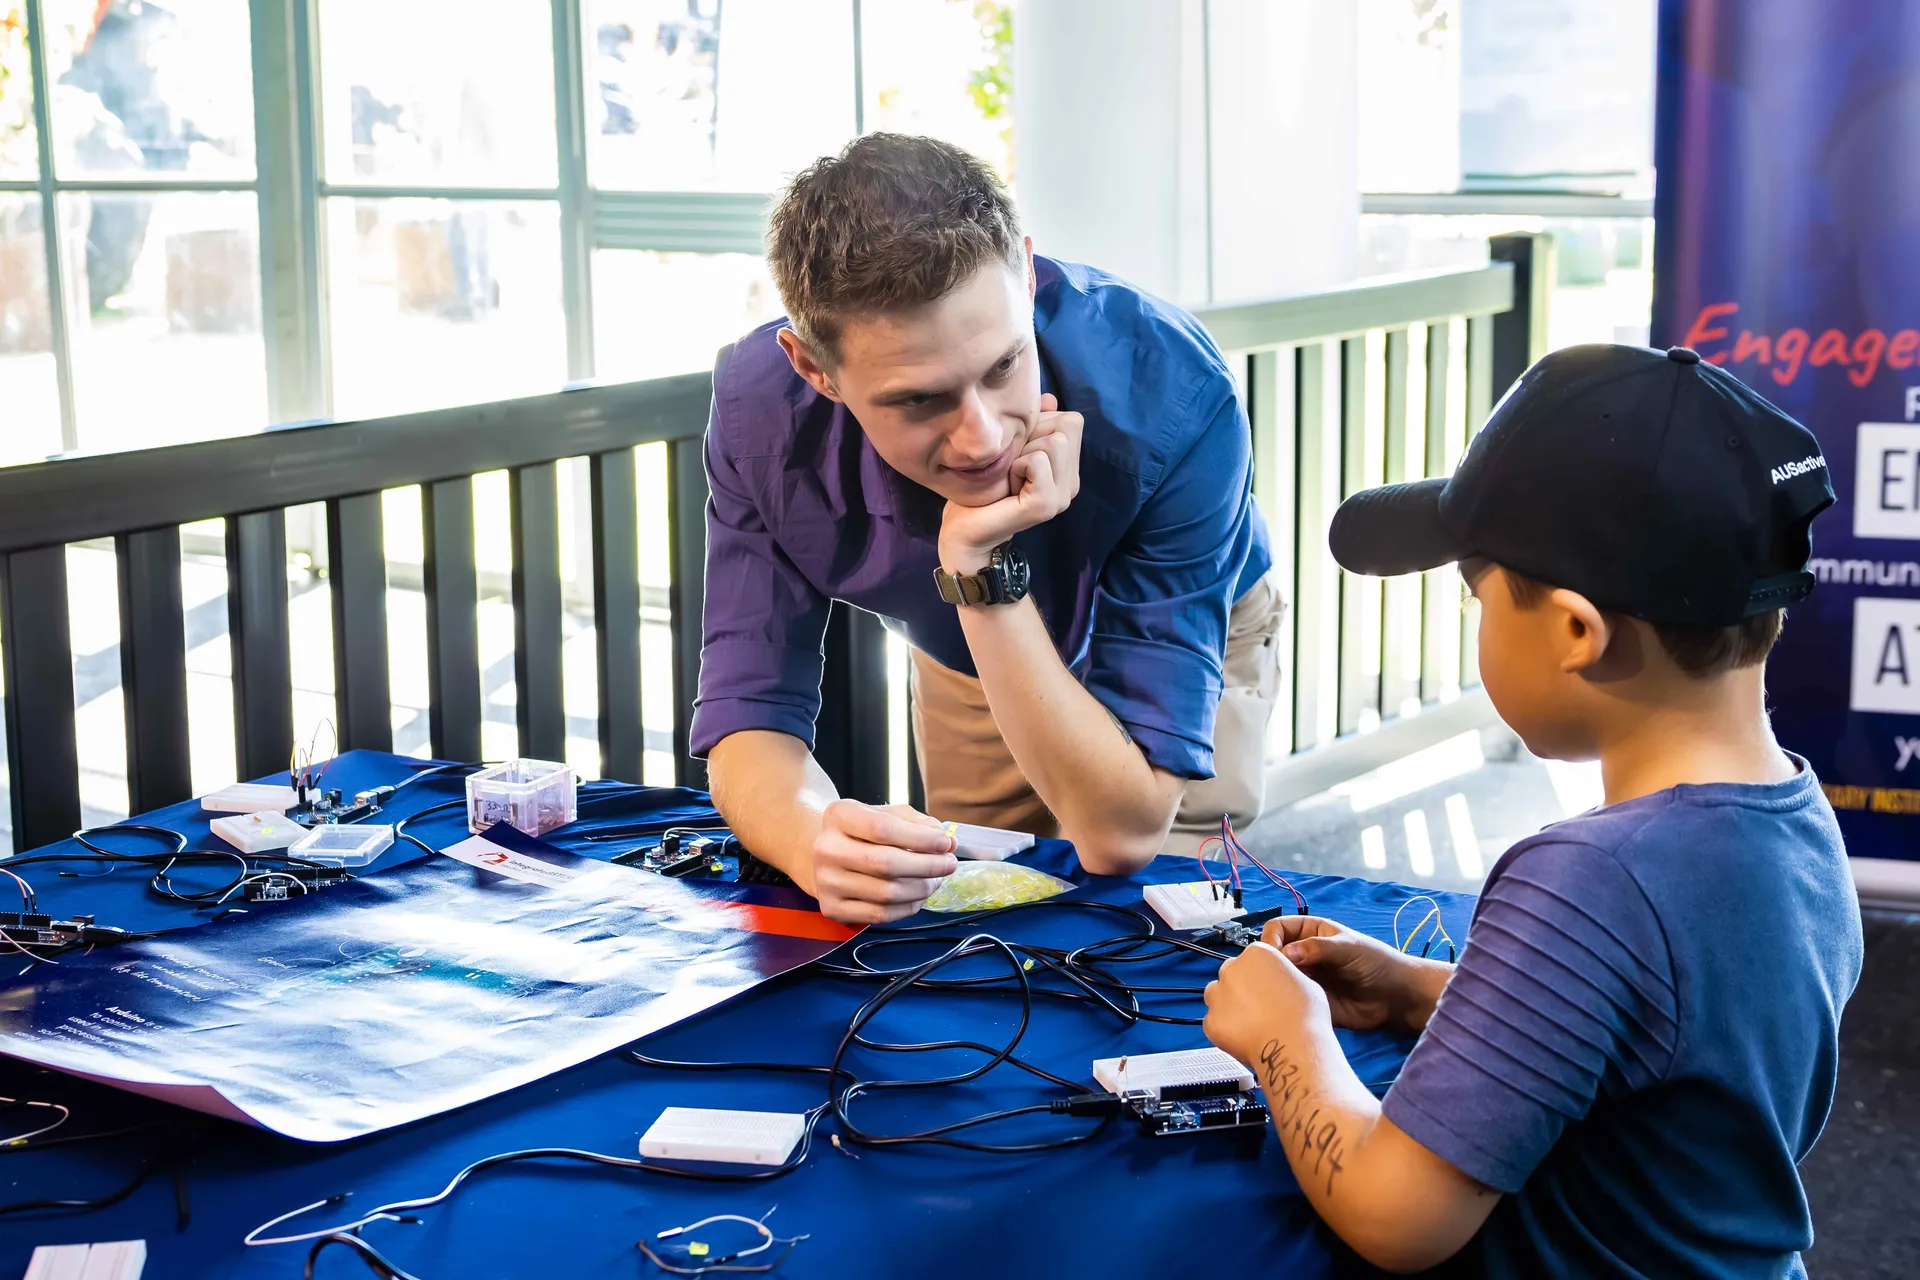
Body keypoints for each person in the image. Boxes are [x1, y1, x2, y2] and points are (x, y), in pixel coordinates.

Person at [1201, 343, 1863, 1276]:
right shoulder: (1794, 819)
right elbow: (1678, 1046)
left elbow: (1398, 1217)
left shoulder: (1589, 878)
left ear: (1574, 631)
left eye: (1477, 593)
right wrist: (1423, 991)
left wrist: (1286, 1039)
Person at [693, 134, 1284, 924]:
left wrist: (980, 566)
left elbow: (1122, 831)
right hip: (966, 645)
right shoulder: (757, 412)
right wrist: (810, 840)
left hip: (1181, 627)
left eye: (1005, 364)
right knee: (981, 920)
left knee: (1164, 936)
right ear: (814, 370)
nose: (982, 440)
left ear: (1028, 275)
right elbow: (750, 705)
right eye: (918, 400)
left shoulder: (1173, 387)